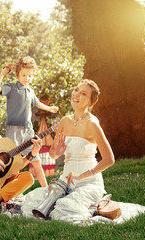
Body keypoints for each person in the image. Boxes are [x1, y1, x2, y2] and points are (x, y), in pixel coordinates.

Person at [21, 79, 115, 222]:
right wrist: (57, 152)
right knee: (32, 204)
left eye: (83, 93)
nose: (76, 94)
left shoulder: (92, 124)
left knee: (64, 209)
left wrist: (80, 176)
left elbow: (109, 160)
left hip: (88, 182)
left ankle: (91, 206)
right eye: (76, 89)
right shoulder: (65, 121)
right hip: (64, 182)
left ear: (90, 102)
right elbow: (52, 154)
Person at [0, 56, 59, 187]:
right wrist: (4, 72)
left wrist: (50, 108)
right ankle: (12, 192)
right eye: (24, 75)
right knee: (15, 164)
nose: (27, 78)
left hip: (28, 131)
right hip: (14, 130)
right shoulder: (11, 88)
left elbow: (37, 103)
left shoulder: (30, 91)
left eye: (30, 75)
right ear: (17, 74)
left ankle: (46, 190)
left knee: (36, 161)